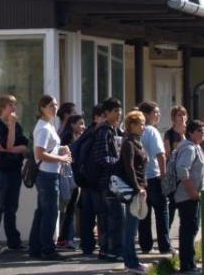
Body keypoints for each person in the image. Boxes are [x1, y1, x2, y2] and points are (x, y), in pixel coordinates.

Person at [28, 95, 72, 261]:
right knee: (50, 213)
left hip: (48, 174)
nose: (54, 108)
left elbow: (48, 149)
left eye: (55, 105)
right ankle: (47, 249)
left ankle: (35, 248)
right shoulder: (44, 128)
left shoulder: (48, 125)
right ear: (42, 108)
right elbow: (40, 154)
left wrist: (61, 149)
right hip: (47, 175)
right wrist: (62, 158)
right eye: (50, 105)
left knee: (42, 212)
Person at [0, 95, 29, 251]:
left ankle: (13, 241)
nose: (14, 108)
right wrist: (10, 130)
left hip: (14, 171)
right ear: (3, 107)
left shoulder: (17, 126)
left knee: (12, 207)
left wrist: (8, 149)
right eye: (11, 105)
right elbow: (6, 145)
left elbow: (24, 146)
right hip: (0, 172)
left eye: (15, 105)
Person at [90, 97, 125, 261]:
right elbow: (101, 157)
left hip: (110, 181)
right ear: (107, 113)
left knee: (107, 218)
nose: (119, 114)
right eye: (115, 111)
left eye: (120, 110)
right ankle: (112, 251)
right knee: (115, 217)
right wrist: (119, 163)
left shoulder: (113, 130)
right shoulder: (104, 132)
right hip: (107, 182)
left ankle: (106, 250)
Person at [173, 120, 204, 274]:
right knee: (188, 229)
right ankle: (187, 266)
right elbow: (182, 169)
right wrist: (192, 191)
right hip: (187, 197)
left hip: (193, 196)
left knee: (191, 229)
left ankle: (189, 263)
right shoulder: (189, 148)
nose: (203, 133)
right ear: (191, 132)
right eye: (199, 130)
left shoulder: (195, 146)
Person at [73, 104, 107, 256]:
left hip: (87, 181)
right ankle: (98, 245)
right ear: (96, 117)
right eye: (103, 116)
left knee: (88, 215)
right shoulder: (96, 133)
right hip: (93, 181)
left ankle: (88, 245)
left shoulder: (89, 132)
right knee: (98, 214)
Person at [137, 101, 170, 255]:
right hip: (154, 177)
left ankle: (145, 245)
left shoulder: (136, 131)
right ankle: (164, 245)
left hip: (140, 179)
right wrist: (164, 175)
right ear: (147, 114)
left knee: (144, 214)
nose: (158, 115)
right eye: (155, 112)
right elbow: (160, 155)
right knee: (161, 212)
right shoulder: (151, 131)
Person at [120, 110, 150, 274]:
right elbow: (129, 167)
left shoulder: (137, 142)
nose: (143, 127)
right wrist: (137, 187)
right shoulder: (129, 144)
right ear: (132, 125)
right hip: (133, 190)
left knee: (133, 227)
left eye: (144, 124)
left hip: (139, 188)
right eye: (141, 124)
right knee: (130, 228)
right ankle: (131, 262)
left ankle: (131, 260)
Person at [57, 114, 85, 249]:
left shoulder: (75, 137)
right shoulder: (69, 137)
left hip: (72, 177)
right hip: (69, 178)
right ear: (72, 124)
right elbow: (70, 158)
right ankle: (67, 238)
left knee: (69, 209)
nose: (83, 127)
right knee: (69, 209)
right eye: (80, 123)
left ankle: (66, 238)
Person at [163, 105, 187, 230]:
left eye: (184, 114)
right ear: (173, 117)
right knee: (172, 204)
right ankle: (167, 230)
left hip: (187, 172)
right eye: (179, 115)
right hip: (174, 173)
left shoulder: (189, 131)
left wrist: (183, 134)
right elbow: (168, 154)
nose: (182, 117)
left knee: (185, 204)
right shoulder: (169, 134)